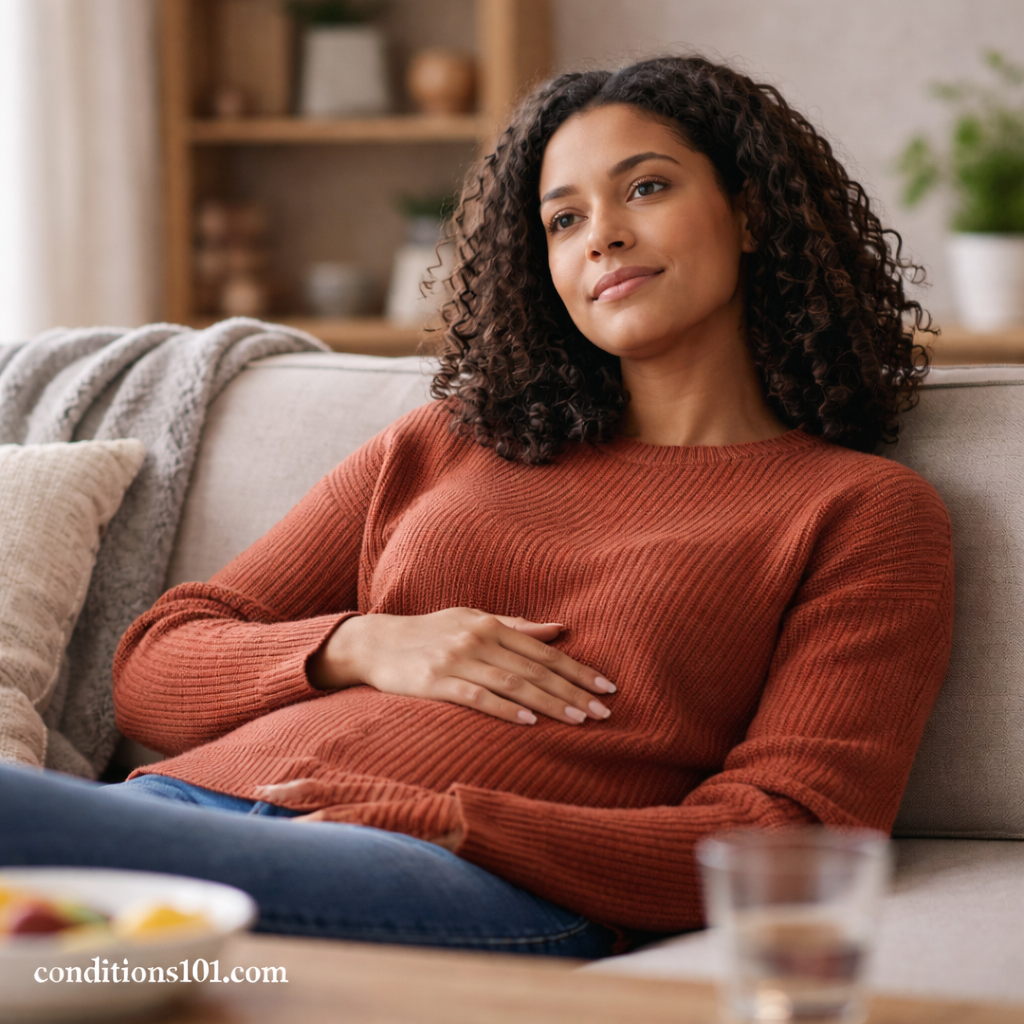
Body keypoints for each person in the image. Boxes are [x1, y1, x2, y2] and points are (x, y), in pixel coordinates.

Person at [0, 56, 953, 957]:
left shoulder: (859, 511)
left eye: (647, 188)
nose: (604, 235)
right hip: (180, 806)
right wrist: (364, 644)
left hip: (458, 870)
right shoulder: (452, 441)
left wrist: (459, 818)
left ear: (749, 212)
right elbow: (155, 664)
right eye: (563, 220)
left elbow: (788, 835)